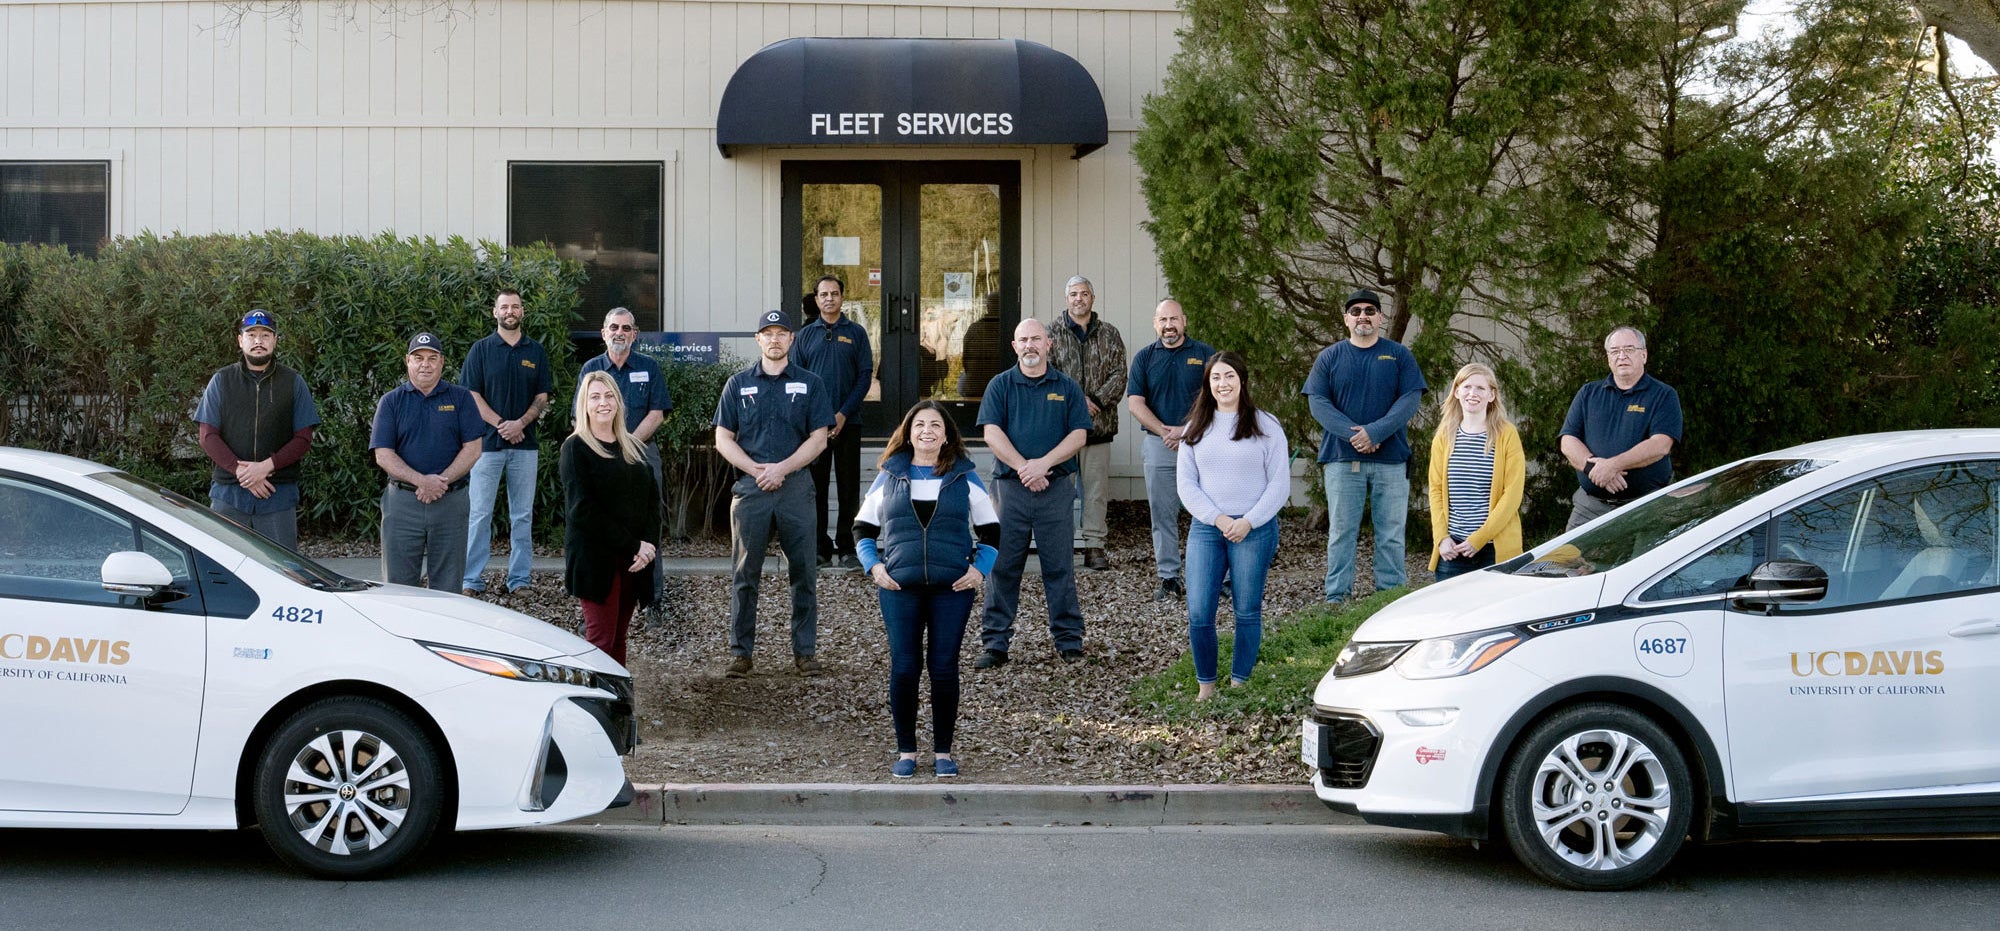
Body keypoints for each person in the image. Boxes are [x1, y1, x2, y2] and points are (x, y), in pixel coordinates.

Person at [852, 401, 999, 779]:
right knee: (904, 667)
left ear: (947, 434)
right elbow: (863, 529)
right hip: (899, 587)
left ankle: (943, 752)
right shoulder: (890, 475)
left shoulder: (965, 476)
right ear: (908, 431)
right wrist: (875, 566)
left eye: (936, 425)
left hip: (953, 588)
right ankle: (906, 751)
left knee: (944, 668)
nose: (927, 431)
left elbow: (992, 531)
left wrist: (979, 570)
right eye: (919, 424)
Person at [714, 308, 835, 678]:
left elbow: (819, 437)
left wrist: (782, 469)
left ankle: (804, 652)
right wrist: (756, 471)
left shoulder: (811, 383)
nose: (775, 339)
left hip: (796, 487)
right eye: (768, 333)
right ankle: (741, 653)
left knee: (804, 572)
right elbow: (722, 438)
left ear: (791, 340)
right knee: (745, 572)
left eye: (782, 333)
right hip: (751, 488)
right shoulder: (737, 384)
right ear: (758, 340)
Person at [973, 318, 1092, 669]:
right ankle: (995, 644)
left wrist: (1043, 466)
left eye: (1036, 339)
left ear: (1049, 344)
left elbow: (1079, 436)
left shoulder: (1067, 387)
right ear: (1014, 346)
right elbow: (991, 433)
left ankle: (1069, 641)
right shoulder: (1000, 386)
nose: (1029, 346)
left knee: (1059, 567)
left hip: (1055, 489)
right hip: (1010, 490)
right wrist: (1026, 467)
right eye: (1023, 339)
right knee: (1003, 567)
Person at [1176, 351, 1289, 701]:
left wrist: (1249, 521)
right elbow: (1187, 486)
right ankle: (1206, 687)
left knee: (1246, 609)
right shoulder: (1195, 429)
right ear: (1207, 384)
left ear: (1242, 381)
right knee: (1199, 611)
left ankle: (1239, 683)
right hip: (1208, 529)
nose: (1222, 384)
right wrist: (1220, 519)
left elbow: (1279, 485)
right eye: (1215, 378)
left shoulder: (1266, 425)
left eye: (1229, 377)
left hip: (1254, 530)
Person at [1302, 288, 1427, 605]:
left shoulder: (1399, 355)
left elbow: (1410, 399)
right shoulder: (1330, 357)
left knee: (1390, 533)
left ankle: (1391, 597)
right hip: (1342, 460)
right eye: (1356, 311)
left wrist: (1375, 432)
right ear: (1346, 319)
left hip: (1391, 460)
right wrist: (1353, 434)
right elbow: (1318, 402)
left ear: (1380, 318)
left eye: (1370, 311)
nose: (1363, 316)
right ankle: (1337, 597)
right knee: (1342, 532)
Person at [192, 309, 321, 550]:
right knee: (224, 571)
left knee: (283, 572)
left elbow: (303, 438)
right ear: (240, 340)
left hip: (277, 494)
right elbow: (207, 435)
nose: (258, 341)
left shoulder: (293, 381)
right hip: (229, 494)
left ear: (275, 340)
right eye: (251, 335)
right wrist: (241, 471)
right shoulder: (221, 380)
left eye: (265, 335)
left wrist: (265, 467)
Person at [370, 332, 486, 590]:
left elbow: (473, 448)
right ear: (407, 362)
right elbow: (383, 454)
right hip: (403, 504)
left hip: (450, 502)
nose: (425, 364)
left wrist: (439, 482)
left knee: (448, 585)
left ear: (441, 362)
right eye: (418, 358)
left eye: (432, 358)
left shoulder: (461, 398)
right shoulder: (391, 402)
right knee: (398, 587)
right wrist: (421, 481)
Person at [561, 371, 662, 666]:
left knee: (619, 637)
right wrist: (634, 545)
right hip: (596, 560)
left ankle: (617, 702)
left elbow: (653, 504)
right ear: (585, 405)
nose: (603, 403)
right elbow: (582, 510)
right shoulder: (575, 447)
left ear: (618, 401)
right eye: (595, 397)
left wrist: (648, 547)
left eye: (609, 396)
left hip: (633, 560)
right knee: (600, 642)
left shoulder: (633, 446)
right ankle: (596, 706)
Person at [579, 306, 674, 618]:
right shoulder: (591, 369)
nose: (619, 333)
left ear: (635, 334)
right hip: (600, 458)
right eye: (614, 328)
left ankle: (651, 602)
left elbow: (657, 413)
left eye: (626, 328)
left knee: (648, 527)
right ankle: (601, 600)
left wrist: (627, 445)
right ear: (604, 333)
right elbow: (581, 416)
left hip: (642, 456)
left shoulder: (649, 367)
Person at [460, 288, 553, 599]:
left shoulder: (535, 351)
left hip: (525, 447)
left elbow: (542, 396)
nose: (510, 311)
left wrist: (521, 424)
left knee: (522, 515)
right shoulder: (481, 350)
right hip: (486, 446)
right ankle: (471, 580)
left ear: (522, 312)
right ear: (495, 312)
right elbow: (471, 395)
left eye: (515, 306)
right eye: (504, 307)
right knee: (480, 514)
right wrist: (501, 424)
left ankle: (519, 580)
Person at [1125, 299, 1213, 600]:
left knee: (1210, 510)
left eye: (1174, 319)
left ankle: (1214, 576)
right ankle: (1169, 577)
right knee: (1162, 514)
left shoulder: (1204, 354)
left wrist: (1187, 430)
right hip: (1159, 443)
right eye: (1163, 319)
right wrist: (1164, 430)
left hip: (1201, 442)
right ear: (1155, 323)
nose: (1169, 325)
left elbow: (1216, 397)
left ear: (1184, 321)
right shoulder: (1145, 358)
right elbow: (1135, 402)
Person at [1559, 326, 1684, 530]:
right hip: (1590, 507)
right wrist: (1595, 469)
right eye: (1615, 351)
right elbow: (1568, 440)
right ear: (1608, 358)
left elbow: (1660, 445)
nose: (1621, 356)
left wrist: (1613, 466)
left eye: (1629, 349)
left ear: (1643, 355)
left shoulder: (1663, 395)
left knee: (1648, 563)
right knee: (1570, 561)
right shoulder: (1588, 393)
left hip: (1646, 507)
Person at [795, 275, 876, 572]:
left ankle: (847, 547)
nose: (829, 298)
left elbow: (864, 377)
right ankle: (818, 547)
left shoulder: (856, 333)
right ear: (816, 300)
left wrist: (841, 415)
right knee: (815, 488)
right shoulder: (804, 336)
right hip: (814, 429)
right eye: (823, 294)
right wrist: (818, 420)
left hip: (848, 423)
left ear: (843, 298)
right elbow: (798, 381)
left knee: (848, 488)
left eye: (835, 293)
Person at [1046, 275, 1126, 572]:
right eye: (1073, 294)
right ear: (1066, 299)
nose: (1079, 299)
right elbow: (1047, 374)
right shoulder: (1051, 333)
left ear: (1093, 298)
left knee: (1095, 492)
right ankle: (1062, 546)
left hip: (1098, 427)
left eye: (1084, 293)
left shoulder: (1110, 334)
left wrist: (1096, 401)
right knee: (1061, 492)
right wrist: (1078, 403)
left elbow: (1120, 374)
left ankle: (1094, 547)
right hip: (1062, 430)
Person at [1426, 363, 1525, 580]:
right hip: (1453, 549)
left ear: (1492, 395)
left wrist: (1479, 538)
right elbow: (1434, 490)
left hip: (1494, 549)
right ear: (1457, 391)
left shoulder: (1507, 434)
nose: (1473, 393)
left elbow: (1513, 495)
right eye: (1467, 386)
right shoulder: (1444, 436)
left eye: (1480, 388)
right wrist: (1441, 538)